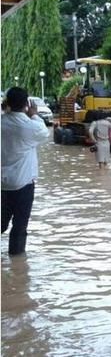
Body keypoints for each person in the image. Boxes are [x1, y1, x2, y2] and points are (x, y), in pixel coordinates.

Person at [1, 87, 50, 255]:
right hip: (23, 184)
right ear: (26, 104)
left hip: (2, 184)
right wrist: (34, 114)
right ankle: (17, 267)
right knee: (19, 226)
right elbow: (44, 132)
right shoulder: (29, 127)